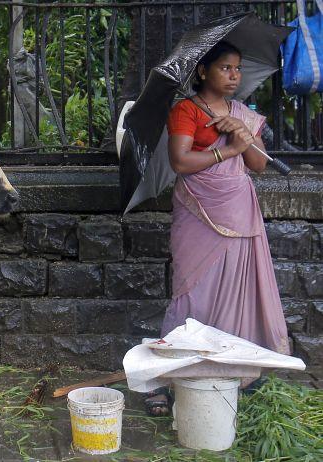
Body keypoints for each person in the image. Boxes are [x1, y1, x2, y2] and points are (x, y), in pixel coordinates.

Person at [145, 41, 290, 416]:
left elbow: (258, 164)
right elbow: (180, 161)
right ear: (203, 71)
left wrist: (242, 131)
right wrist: (226, 149)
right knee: (191, 294)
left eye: (237, 69)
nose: (234, 75)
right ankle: (165, 379)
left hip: (238, 210)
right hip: (199, 213)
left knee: (237, 292)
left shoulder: (241, 112)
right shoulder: (186, 111)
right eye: (225, 68)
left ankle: (232, 371)